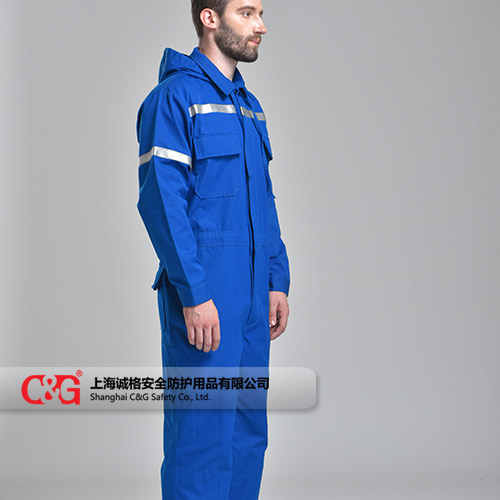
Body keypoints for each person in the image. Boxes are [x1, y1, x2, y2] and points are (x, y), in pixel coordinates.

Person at [136, 1, 290, 498]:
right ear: (210, 18)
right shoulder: (173, 99)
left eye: (260, 13)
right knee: (201, 438)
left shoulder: (249, 106)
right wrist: (194, 292)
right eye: (247, 13)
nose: (260, 25)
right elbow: (162, 203)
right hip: (206, 295)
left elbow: (263, 199)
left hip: (252, 300)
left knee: (247, 435)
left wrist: (276, 279)